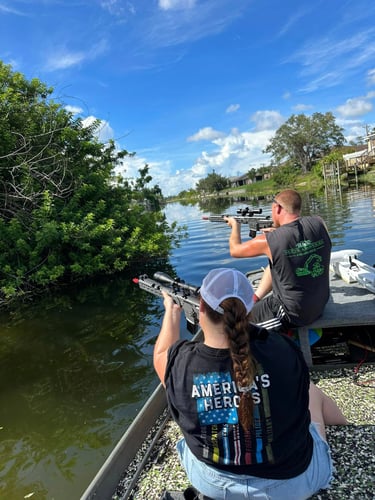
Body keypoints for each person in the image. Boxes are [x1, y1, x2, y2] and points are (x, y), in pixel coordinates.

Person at [154, 268, 348, 500]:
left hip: (216, 485)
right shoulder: (283, 350)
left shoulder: (180, 364)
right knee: (311, 391)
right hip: (294, 486)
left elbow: (161, 353)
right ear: (248, 310)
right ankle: (346, 425)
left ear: (201, 307)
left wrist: (171, 312)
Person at [225, 189, 332, 332]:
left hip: (292, 313)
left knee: (234, 325)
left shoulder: (269, 241)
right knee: (277, 261)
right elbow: (299, 237)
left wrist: (235, 226)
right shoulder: (319, 222)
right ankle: (255, 298)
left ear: (278, 208)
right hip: (320, 304)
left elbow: (235, 250)